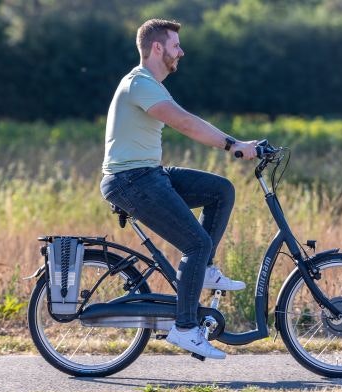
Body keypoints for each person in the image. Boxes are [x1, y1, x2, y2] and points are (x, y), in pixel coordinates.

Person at [100, 19, 257, 360]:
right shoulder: (139, 83)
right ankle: (185, 328)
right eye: (176, 45)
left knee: (221, 191)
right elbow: (184, 122)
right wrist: (232, 144)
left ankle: (205, 271)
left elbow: (185, 118)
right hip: (132, 180)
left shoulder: (150, 84)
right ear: (157, 48)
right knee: (196, 242)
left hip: (148, 174)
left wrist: (237, 144)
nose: (181, 51)